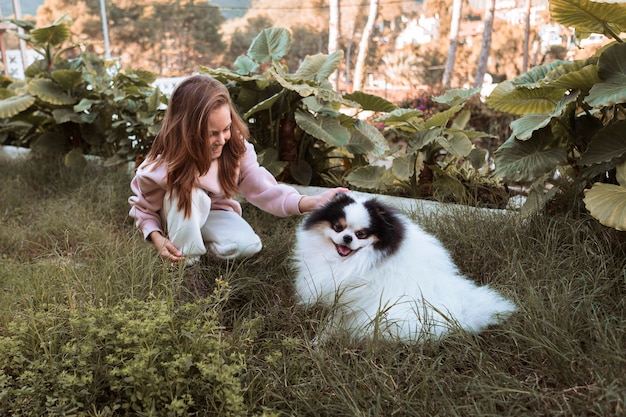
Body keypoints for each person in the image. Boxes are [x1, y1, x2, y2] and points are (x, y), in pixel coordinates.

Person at [129, 74, 348, 264]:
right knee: (193, 194)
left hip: (214, 213)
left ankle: (196, 243)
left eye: (226, 129)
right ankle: (186, 266)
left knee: (247, 245)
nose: (222, 139)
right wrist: (157, 237)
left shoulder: (236, 149)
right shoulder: (165, 164)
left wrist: (310, 202)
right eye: (212, 133)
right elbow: (144, 208)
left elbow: (263, 189)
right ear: (188, 133)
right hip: (178, 211)